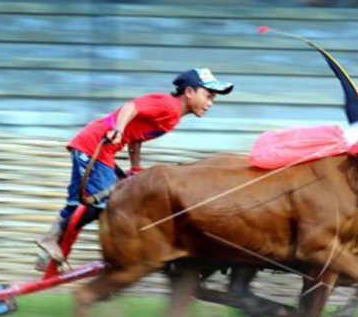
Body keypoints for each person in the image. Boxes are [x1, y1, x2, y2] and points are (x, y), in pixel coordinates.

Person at [35, 68, 234, 269]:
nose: (210, 103)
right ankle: (55, 242)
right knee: (105, 203)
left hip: (97, 147)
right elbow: (131, 107)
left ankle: (48, 252)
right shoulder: (168, 106)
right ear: (189, 92)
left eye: (213, 98)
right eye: (208, 95)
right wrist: (118, 129)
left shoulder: (173, 116)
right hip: (95, 145)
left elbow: (136, 137)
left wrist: (135, 168)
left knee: (79, 203)